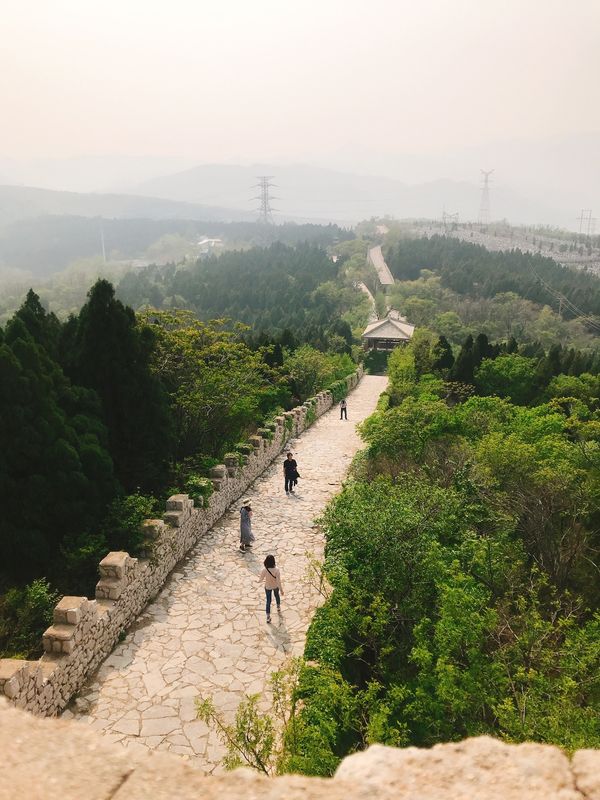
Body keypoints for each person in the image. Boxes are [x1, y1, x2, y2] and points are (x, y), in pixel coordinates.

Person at [258, 554, 284, 623]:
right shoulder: (277, 570)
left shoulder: (264, 570)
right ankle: (278, 607)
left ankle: (268, 617)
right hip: (275, 586)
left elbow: (260, 579)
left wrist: (258, 581)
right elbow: (278, 581)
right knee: (277, 595)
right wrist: (281, 590)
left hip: (268, 587)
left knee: (268, 601)